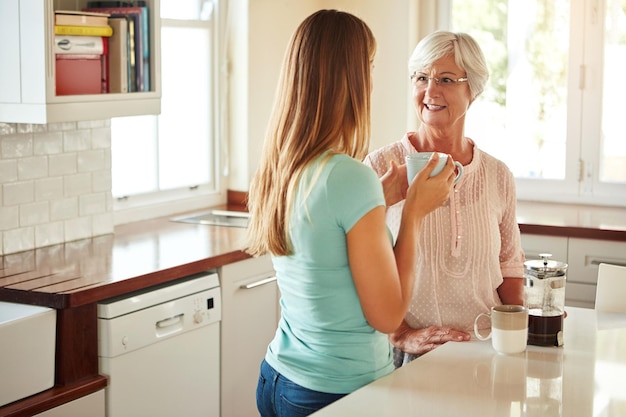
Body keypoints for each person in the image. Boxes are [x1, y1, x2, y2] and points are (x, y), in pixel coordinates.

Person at [246, 10, 457, 417]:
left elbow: (322, 235)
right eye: (370, 66)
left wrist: (378, 196)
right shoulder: (349, 177)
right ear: (353, 79)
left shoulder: (281, 167)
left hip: (278, 379)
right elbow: (388, 315)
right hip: (334, 392)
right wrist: (413, 214)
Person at [363, 31, 525, 367]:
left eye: (446, 79)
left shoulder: (498, 175)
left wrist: (526, 327)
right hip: (406, 357)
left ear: (473, 90)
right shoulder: (381, 166)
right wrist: (401, 333)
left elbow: (509, 270)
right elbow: (361, 269)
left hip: (487, 353)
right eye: (421, 78)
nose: (430, 91)